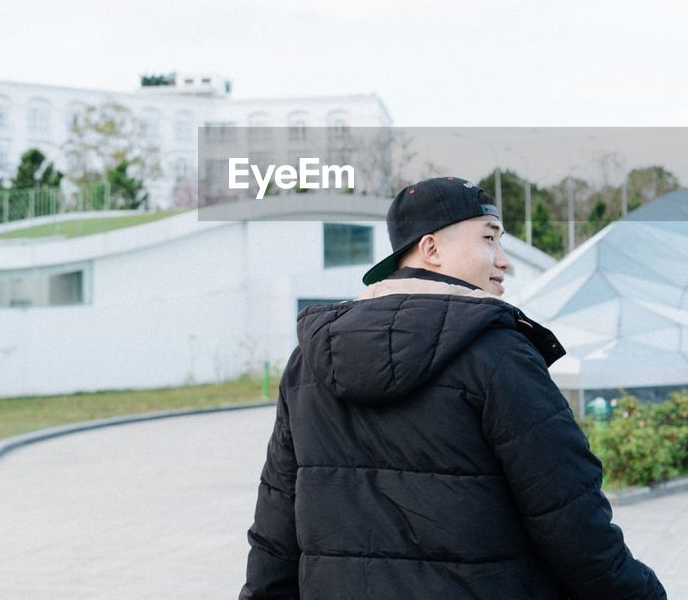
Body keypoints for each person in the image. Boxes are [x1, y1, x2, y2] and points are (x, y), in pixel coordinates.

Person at [240, 176, 665, 599]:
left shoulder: (310, 362)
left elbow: (275, 534)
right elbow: (573, 523)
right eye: (489, 239)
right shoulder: (498, 354)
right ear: (431, 249)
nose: (504, 260)